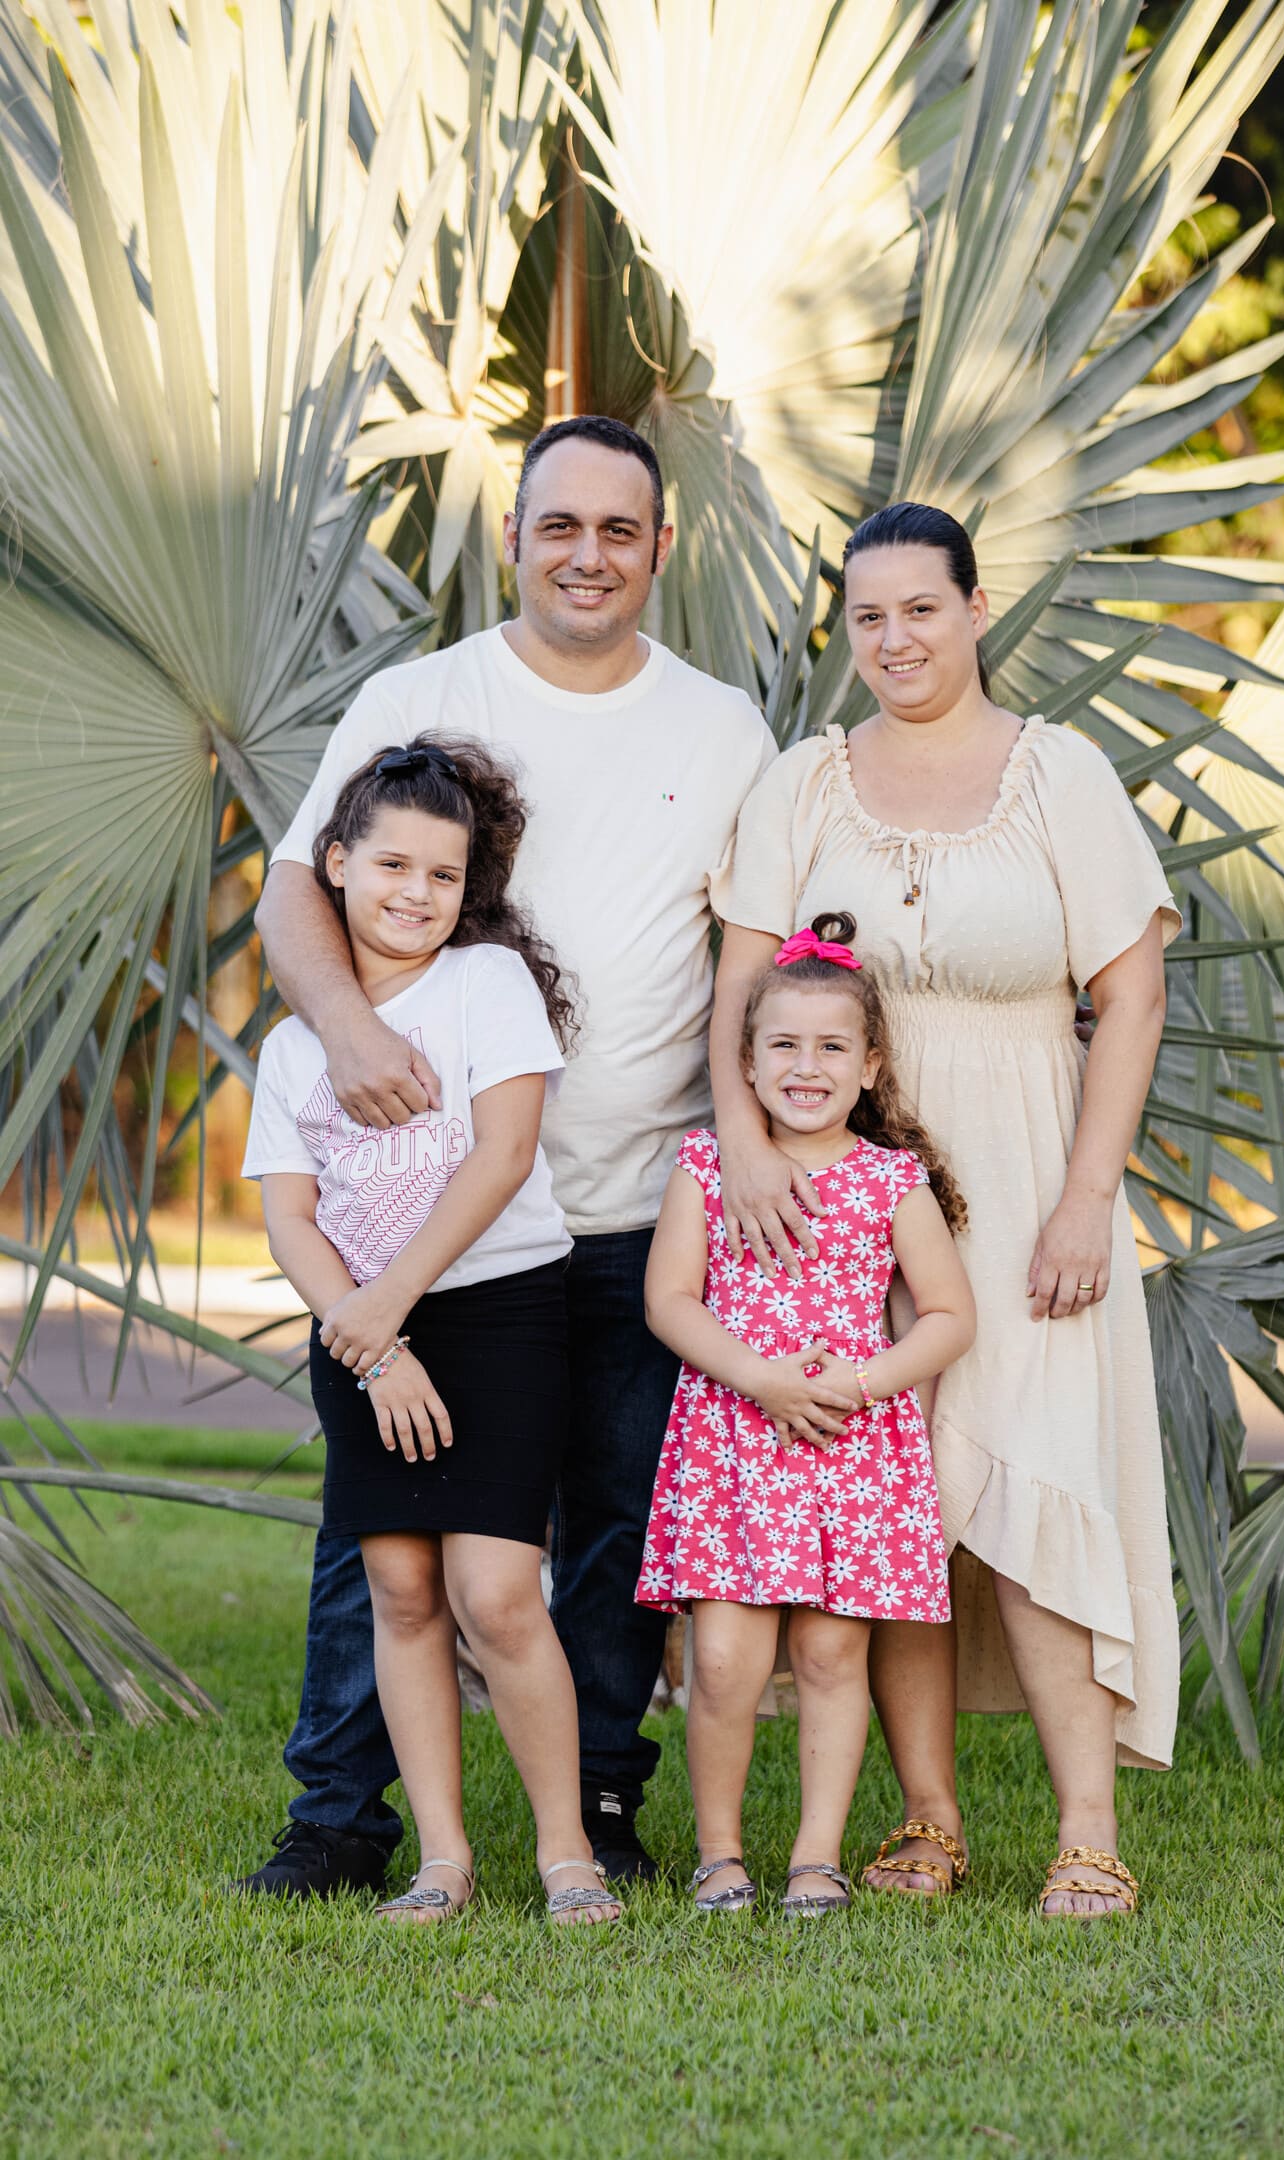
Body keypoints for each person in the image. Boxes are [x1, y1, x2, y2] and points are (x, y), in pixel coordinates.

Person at [237, 415, 775, 1899]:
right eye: (559, 525)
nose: (587, 554)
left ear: (661, 547)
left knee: (613, 1526)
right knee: (386, 1544)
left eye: (620, 529)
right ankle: (342, 1815)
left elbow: (756, 953)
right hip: (404, 1219)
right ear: (515, 537)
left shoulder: (726, 725)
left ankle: (596, 1803)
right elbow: (297, 883)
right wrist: (344, 1029)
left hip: (626, 1204)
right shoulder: (422, 695)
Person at [711, 502, 1179, 1919]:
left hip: (1030, 1168)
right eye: (867, 616)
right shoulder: (802, 784)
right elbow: (738, 993)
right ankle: (927, 1823)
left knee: (1034, 1481)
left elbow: (1132, 994)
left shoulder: (1064, 777)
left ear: (979, 610)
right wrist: (749, 1159)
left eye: (922, 608)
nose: (895, 639)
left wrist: (1090, 1196)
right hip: (836, 1191)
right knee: (889, 1502)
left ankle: (1088, 1835)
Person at [242, 736, 620, 1925]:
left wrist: (392, 1307)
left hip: (497, 1312)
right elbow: (291, 1217)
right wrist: (371, 1340)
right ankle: (442, 1863)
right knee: (400, 1592)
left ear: (471, 891)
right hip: (361, 1338)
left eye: (444, 876)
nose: (416, 893)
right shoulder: (295, 1045)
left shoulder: (485, 988)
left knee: (498, 1592)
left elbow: (505, 1158)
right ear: (335, 865)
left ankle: (569, 1857)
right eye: (392, 865)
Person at [640, 915, 974, 1918]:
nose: (806, 1065)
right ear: (745, 1062)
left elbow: (951, 1317)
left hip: (850, 1450)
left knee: (833, 1657)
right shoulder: (707, 1169)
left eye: (832, 1047)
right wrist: (761, 1379)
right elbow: (668, 1302)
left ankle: (815, 1858)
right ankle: (720, 1854)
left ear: (870, 1066)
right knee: (727, 1660)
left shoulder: (889, 1180)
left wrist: (861, 1383)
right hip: (735, 1443)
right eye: (782, 1044)